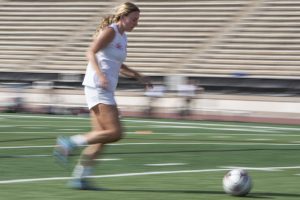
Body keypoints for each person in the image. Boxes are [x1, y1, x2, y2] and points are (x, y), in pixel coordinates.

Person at [53, 2, 152, 190]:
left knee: (101, 137)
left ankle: (79, 178)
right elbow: (90, 52)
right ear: (123, 17)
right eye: (134, 19)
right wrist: (100, 75)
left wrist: (139, 76)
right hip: (98, 86)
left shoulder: (123, 38)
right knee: (115, 133)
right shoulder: (110, 31)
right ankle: (69, 142)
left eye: (138, 20)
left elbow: (116, 63)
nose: (136, 23)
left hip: (102, 87)